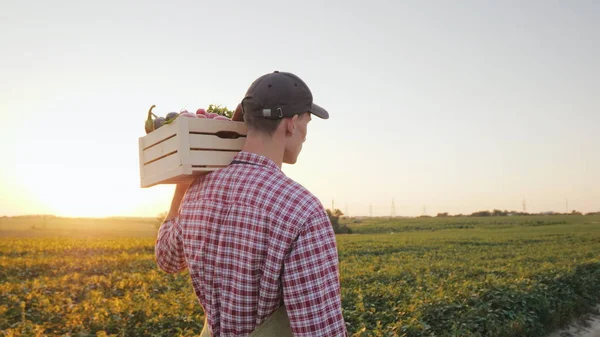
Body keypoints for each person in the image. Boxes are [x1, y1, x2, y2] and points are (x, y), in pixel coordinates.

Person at [155, 71, 348, 337]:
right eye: (307, 123)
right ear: (291, 124)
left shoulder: (197, 191)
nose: (305, 135)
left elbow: (167, 259)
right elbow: (319, 331)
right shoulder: (302, 210)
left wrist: (184, 180)